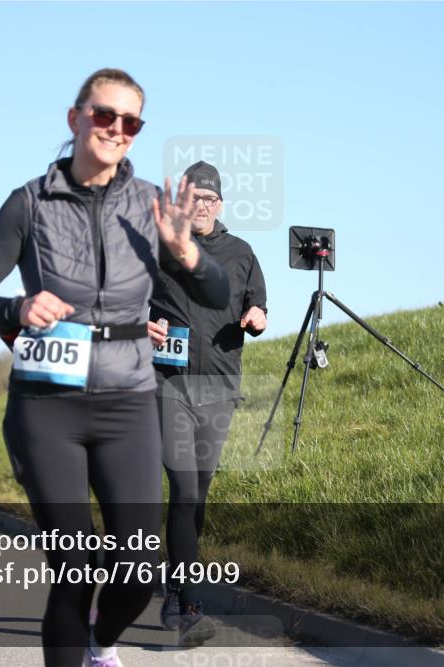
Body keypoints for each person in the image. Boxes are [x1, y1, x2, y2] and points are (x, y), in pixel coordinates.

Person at [0, 68, 229, 667]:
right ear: (75, 118)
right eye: (105, 114)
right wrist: (16, 308)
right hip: (47, 404)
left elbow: (217, 293)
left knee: (140, 564)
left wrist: (186, 252)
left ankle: (101, 643)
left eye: (131, 122)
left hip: (128, 399)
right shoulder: (29, 203)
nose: (116, 128)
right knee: (75, 562)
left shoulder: (149, 206)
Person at [147, 161, 268, 641]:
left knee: (197, 495)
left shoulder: (241, 253)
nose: (202, 206)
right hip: (169, 385)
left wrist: (257, 316)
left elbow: (258, 304)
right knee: (184, 488)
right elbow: (122, 297)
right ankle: (190, 605)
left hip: (219, 387)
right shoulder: (160, 248)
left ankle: (176, 589)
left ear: (220, 204)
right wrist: (139, 324)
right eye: (194, 197)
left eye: (210, 199)